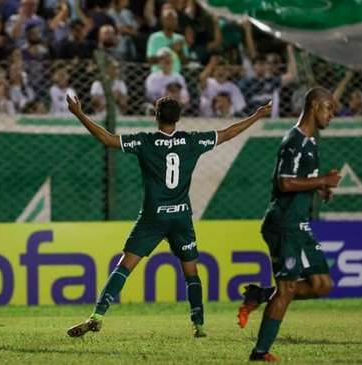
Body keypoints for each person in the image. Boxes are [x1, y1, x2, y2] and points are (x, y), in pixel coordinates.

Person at [65, 94, 272, 338]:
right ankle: (199, 325)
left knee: (124, 266)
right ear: (179, 118)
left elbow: (108, 139)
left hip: (153, 217)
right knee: (191, 272)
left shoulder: (145, 142)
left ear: (155, 116)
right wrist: (257, 116)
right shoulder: (191, 141)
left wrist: (79, 113)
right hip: (181, 217)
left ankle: (97, 315)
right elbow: (227, 133)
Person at [237, 87, 342, 362]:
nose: (332, 115)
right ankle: (260, 353)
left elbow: (302, 180)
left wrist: (321, 189)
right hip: (284, 223)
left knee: (322, 285)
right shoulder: (294, 141)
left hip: (298, 223)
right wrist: (322, 182)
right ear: (314, 106)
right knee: (288, 289)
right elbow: (284, 182)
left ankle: (261, 294)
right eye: (329, 108)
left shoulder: (311, 143)